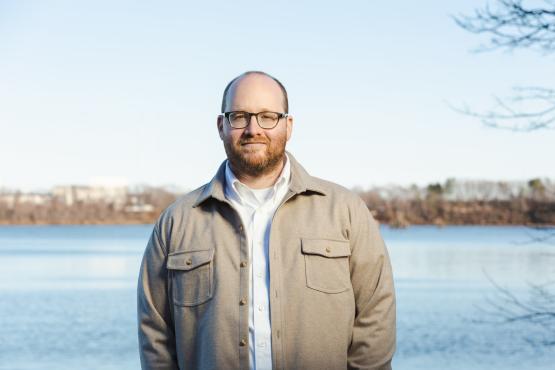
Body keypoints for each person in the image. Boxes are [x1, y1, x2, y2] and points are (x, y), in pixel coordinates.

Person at [137, 71, 396, 370]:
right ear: (221, 126)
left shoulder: (345, 211)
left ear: (288, 125)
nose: (253, 128)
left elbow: (375, 319)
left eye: (268, 116)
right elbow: (155, 335)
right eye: (239, 116)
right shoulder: (177, 222)